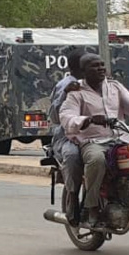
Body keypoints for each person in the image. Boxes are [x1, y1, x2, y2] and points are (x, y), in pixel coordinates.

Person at [60, 54, 129, 227]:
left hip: (121, 137)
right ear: (83, 71)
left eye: (102, 65)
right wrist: (87, 120)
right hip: (93, 141)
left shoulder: (114, 86)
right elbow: (67, 116)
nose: (100, 69)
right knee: (97, 159)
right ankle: (91, 206)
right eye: (94, 66)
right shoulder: (76, 92)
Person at [48, 49, 86, 207]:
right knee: (72, 155)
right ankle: (73, 196)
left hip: (94, 134)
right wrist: (65, 93)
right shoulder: (65, 85)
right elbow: (54, 116)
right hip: (68, 136)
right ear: (78, 67)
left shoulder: (96, 83)